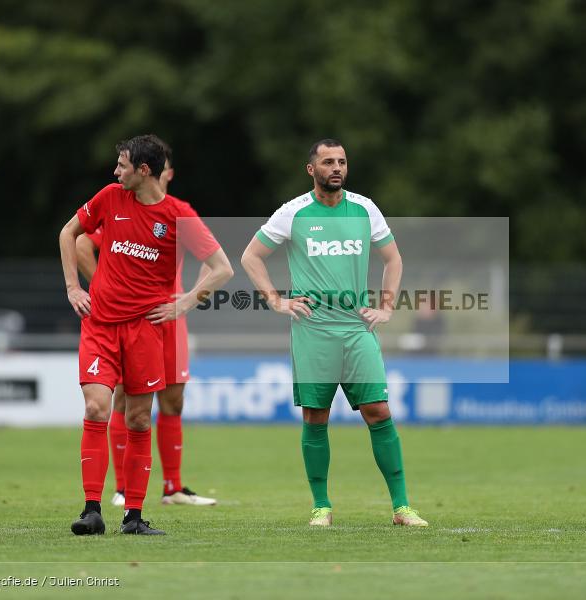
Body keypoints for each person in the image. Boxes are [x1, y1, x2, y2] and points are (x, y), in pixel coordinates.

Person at [240, 138, 427, 527]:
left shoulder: (365, 209)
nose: (336, 167)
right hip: (313, 331)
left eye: (341, 161)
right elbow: (251, 256)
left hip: (357, 330)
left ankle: (402, 507)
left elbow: (392, 258)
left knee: (379, 411)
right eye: (328, 162)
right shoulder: (293, 214)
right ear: (312, 170)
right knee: (315, 417)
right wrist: (276, 300)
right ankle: (321, 507)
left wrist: (387, 306)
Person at [58, 134, 233, 535]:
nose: (114, 172)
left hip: (146, 330)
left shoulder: (178, 214)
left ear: (143, 170)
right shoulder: (109, 198)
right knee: (97, 408)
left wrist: (185, 302)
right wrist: (73, 287)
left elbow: (222, 267)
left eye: (121, 165)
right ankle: (91, 510)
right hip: (101, 325)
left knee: (138, 418)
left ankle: (134, 517)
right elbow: (68, 233)